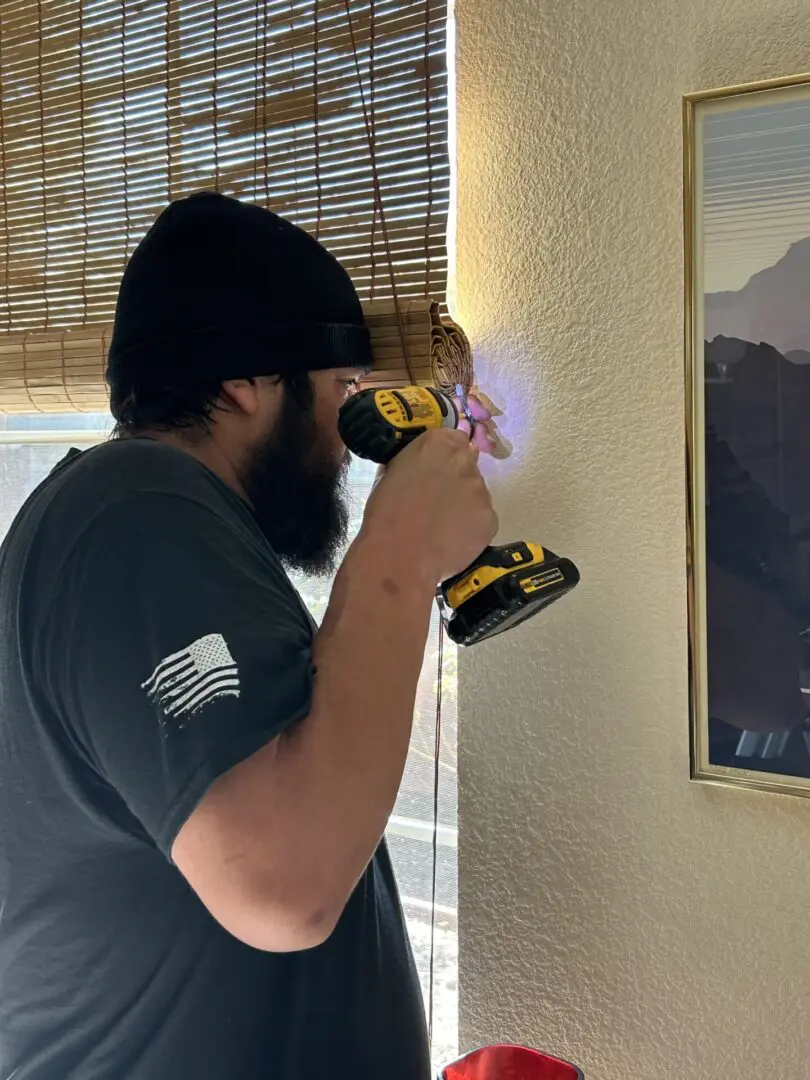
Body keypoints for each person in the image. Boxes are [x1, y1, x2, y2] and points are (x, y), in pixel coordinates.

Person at [0, 193, 497, 1080]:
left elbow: (311, 761)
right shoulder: (136, 512)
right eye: (341, 391)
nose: (349, 439)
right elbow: (282, 884)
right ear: (242, 384)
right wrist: (400, 548)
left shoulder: (154, 529)